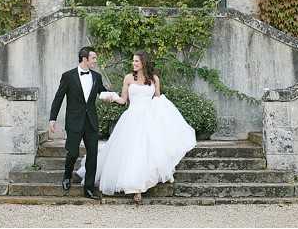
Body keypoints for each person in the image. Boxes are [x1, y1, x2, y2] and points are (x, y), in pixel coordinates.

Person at [76, 50, 197, 204]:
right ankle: (134, 187)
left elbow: (158, 99)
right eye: (133, 61)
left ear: (143, 63)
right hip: (132, 118)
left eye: (136, 62)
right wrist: (112, 97)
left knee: (149, 152)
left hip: (150, 119)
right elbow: (123, 100)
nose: (133, 64)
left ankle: (145, 183)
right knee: (133, 152)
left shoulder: (154, 79)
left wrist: (165, 119)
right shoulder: (128, 78)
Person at [48, 46, 109, 200]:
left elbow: (102, 92)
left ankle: (88, 189)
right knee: (73, 152)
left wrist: (117, 97)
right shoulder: (68, 76)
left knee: (93, 155)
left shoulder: (97, 77)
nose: (96, 61)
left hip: (91, 122)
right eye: (93, 58)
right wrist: (52, 118)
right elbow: (58, 97)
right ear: (85, 59)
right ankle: (67, 175)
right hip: (74, 121)